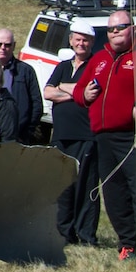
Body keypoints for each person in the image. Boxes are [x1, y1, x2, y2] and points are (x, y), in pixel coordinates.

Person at [72, 7, 136, 261]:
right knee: (113, 193)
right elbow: (80, 89)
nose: (115, 32)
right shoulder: (99, 59)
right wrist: (83, 96)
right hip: (105, 137)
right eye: (110, 29)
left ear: (134, 29)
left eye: (121, 27)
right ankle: (127, 243)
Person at [44, 18, 101, 246]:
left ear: (92, 42)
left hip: (86, 135)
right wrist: (78, 93)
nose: (81, 44)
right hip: (61, 135)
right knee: (63, 186)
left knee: (86, 186)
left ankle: (86, 235)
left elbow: (93, 93)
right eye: (77, 39)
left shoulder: (96, 65)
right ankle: (64, 233)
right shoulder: (63, 66)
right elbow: (48, 92)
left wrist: (64, 88)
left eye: (85, 40)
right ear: (71, 41)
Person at [0, 27, 42, 144]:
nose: (3, 48)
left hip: (18, 136)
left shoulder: (25, 71)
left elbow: (36, 104)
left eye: (7, 45)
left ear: (14, 46)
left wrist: (28, 131)